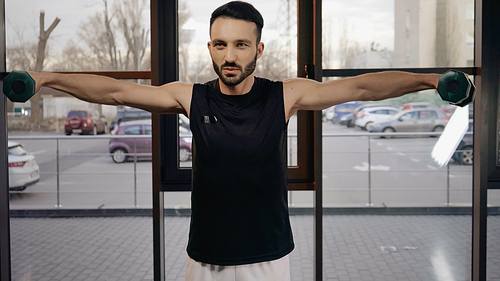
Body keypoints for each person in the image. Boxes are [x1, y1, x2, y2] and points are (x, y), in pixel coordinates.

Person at [29, 1, 440, 280]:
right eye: (221, 44)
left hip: (270, 259)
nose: (230, 56)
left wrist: (429, 80)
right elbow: (114, 93)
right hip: (205, 259)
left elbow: (362, 89)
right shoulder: (191, 96)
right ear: (210, 47)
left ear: (258, 48)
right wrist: (47, 80)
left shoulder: (285, 95)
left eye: (241, 45)